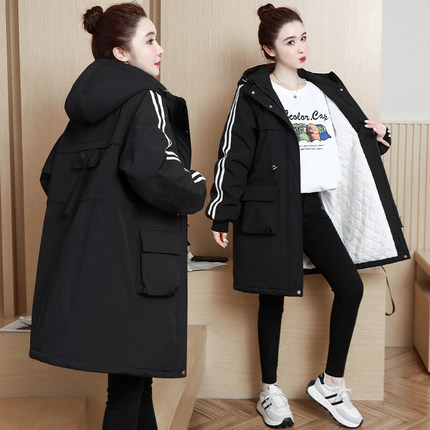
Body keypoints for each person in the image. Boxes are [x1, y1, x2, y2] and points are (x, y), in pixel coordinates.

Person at [206, 4, 409, 429]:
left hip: (312, 208)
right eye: (290, 41)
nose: (301, 47)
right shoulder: (254, 93)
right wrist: (221, 213)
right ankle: (269, 391)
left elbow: (347, 143)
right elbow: (234, 153)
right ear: (269, 49)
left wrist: (380, 137)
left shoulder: (322, 89)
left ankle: (330, 383)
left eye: (303, 38)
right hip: (269, 209)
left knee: (350, 287)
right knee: (272, 298)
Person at [29, 3, 206, 430]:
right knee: (127, 390)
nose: (160, 49)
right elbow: (157, 172)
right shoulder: (146, 96)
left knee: (132, 383)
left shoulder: (87, 110)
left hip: (100, 263)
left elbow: (53, 175)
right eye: (150, 40)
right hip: (140, 264)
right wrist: (198, 185)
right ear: (121, 53)